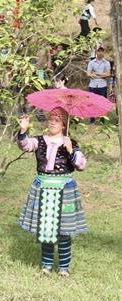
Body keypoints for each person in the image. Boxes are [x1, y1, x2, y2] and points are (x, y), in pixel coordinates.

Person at [17, 108, 87, 277]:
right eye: (51, 119)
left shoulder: (71, 143)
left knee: (63, 231)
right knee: (45, 228)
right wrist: (23, 130)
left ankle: (63, 267)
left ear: (64, 125)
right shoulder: (40, 141)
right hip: (44, 187)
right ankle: (47, 265)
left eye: (56, 120)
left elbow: (82, 165)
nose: (52, 123)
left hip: (65, 189)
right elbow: (25, 145)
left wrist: (71, 150)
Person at [86, 47, 111, 123]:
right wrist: (102, 75)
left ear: (104, 52)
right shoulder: (91, 62)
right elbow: (88, 73)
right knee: (92, 102)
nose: (100, 53)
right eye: (98, 51)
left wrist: (96, 73)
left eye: (102, 51)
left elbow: (108, 74)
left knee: (102, 103)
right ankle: (92, 120)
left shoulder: (106, 62)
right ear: (96, 52)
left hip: (102, 85)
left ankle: (102, 119)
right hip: (93, 85)